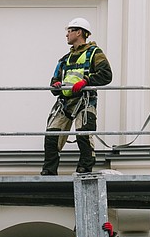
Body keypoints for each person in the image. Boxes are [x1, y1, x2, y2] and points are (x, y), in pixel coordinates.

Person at [42, 17, 113, 176]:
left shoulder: (95, 53)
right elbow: (54, 81)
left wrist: (86, 82)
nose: (67, 35)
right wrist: (56, 87)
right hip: (65, 102)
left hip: (85, 99)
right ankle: (49, 170)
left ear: (79, 32)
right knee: (52, 135)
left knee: (83, 133)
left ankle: (85, 167)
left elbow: (106, 75)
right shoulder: (64, 59)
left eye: (69, 31)